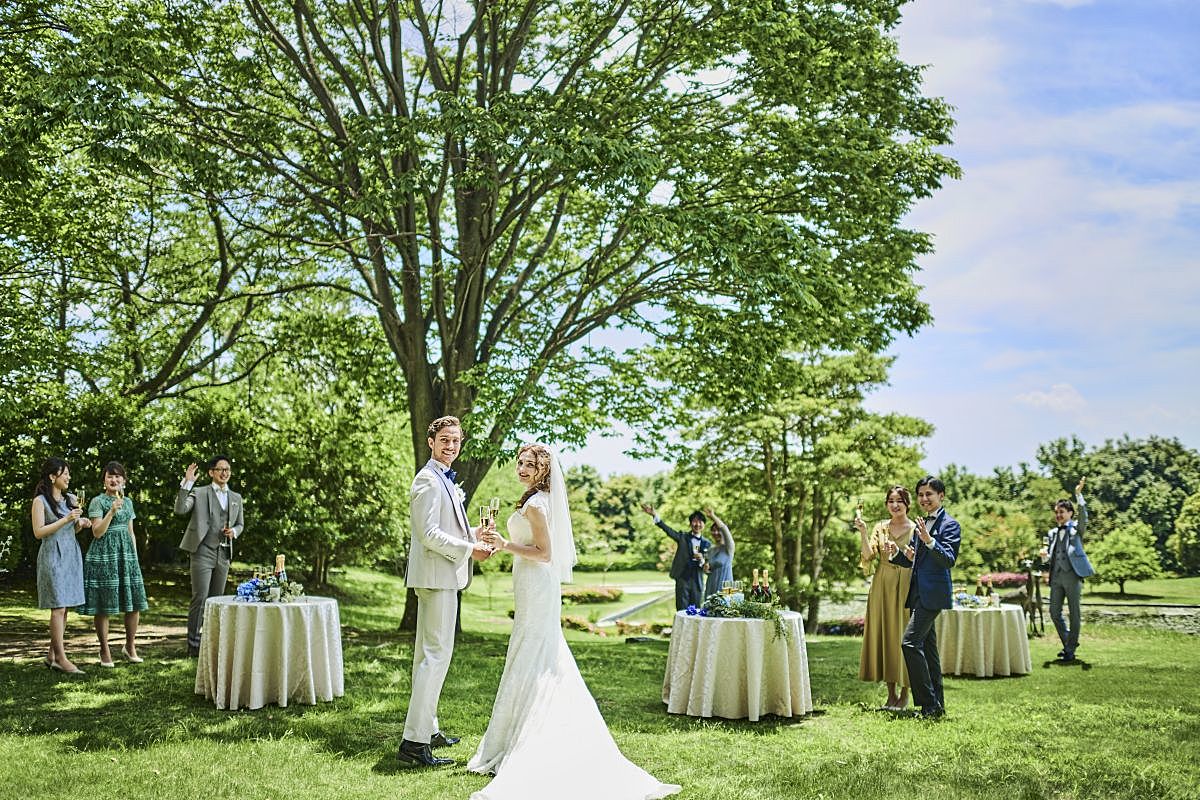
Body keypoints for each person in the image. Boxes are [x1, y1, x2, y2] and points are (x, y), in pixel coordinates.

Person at [469, 443, 680, 800]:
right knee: (530, 652)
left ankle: (534, 734)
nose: (522, 468)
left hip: (537, 584)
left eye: (530, 464)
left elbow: (545, 554)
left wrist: (504, 545)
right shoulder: (533, 499)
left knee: (535, 653)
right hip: (529, 584)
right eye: (520, 463)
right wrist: (493, 541)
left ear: (543, 470)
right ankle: (509, 737)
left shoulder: (537, 504)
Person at [398, 416, 494, 768]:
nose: (451, 446)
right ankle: (414, 743)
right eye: (444, 440)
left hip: (440, 577)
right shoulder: (427, 479)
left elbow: (447, 528)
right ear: (431, 442)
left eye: (455, 440)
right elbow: (428, 534)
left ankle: (429, 728)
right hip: (437, 579)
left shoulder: (445, 479)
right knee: (435, 657)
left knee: (426, 657)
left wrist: (475, 536)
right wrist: (470, 551)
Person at [884, 476, 960, 720]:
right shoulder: (921, 524)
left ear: (941, 496)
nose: (924, 498)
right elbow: (914, 561)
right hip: (917, 594)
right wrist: (899, 554)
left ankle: (928, 706)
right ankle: (937, 706)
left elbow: (948, 560)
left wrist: (929, 540)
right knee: (929, 652)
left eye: (929, 494)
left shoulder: (950, 525)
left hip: (934, 594)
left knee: (909, 643)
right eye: (920, 495)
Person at [175, 454, 243, 658]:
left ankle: (211, 644)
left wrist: (234, 532)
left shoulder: (236, 498)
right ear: (211, 472)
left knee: (217, 600)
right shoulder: (199, 492)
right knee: (200, 597)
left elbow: (240, 524)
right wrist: (187, 483)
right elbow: (180, 509)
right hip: (202, 551)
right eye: (221, 469)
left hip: (224, 553)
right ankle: (193, 644)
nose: (225, 473)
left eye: (227, 469)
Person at [81, 462, 148, 666]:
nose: (114, 480)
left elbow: (130, 531)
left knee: (134, 602)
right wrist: (111, 511)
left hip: (126, 555)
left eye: (118, 476)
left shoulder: (128, 502)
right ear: (104, 481)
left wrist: (134, 557)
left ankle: (130, 646)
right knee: (104, 605)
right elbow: (97, 532)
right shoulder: (97, 501)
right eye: (110, 476)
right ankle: (104, 650)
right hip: (103, 556)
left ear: (124, 481)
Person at [855, 486, 915, 711]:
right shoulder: (880, 528)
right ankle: (891, 695)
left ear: (907, 504)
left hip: (907, 585)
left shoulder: (916, 529)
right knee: (885, 635)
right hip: (882, 585)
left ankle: (905, 694)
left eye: (900, 500)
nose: (895, 505)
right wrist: (863, 532)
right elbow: (868, 555)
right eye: (891, 501)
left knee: (904, 635)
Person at [31, 457, 92, 674]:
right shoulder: (40, 501)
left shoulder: (70, 500)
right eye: (65, 473)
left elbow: (71, 529)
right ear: (52, 476)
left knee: (64, 608)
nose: (68, 477)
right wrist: (66, 520)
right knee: (58, 607)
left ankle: (51, 656)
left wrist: (80, 524)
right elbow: (38, 532)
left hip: (70, 554)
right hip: (52, 555)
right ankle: (61, 658)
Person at [1039, 477, 1094, 663]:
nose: (1058, 515)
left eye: (1061, 512)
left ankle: (1069, 650)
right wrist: (1044, 557)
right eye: (1056, 512)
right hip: (1056, 578)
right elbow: (1051, 556)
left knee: (1074, 613)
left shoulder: (1077, 529)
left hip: (1073, 576)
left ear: (1070, 513)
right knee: (1054, 612)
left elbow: (1084, 516)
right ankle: (1070, 643)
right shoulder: (1052, 533)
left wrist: (1078, 495)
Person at [639, 504, 710, 610]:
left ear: (704, 524)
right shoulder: (683, 537)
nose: (697, 524)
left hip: (697, 580)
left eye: (700, 522)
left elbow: (708, 565)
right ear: (690, 523)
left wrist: (702, 560)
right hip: (682, 578)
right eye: (695, 521)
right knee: (681, 609)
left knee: (696, 610)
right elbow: (668, 530)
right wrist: (655, 515)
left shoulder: (707, 543)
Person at [702, 507, 735, 601]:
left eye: (718, 530)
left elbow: (724, 528)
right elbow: (708, 569)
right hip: (711, 587)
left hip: (726, 589)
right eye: (713, 530)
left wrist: (713, 516)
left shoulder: (729, 548)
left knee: (725, 608)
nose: (715, 532)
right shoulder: (710, 550)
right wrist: (705, 569)